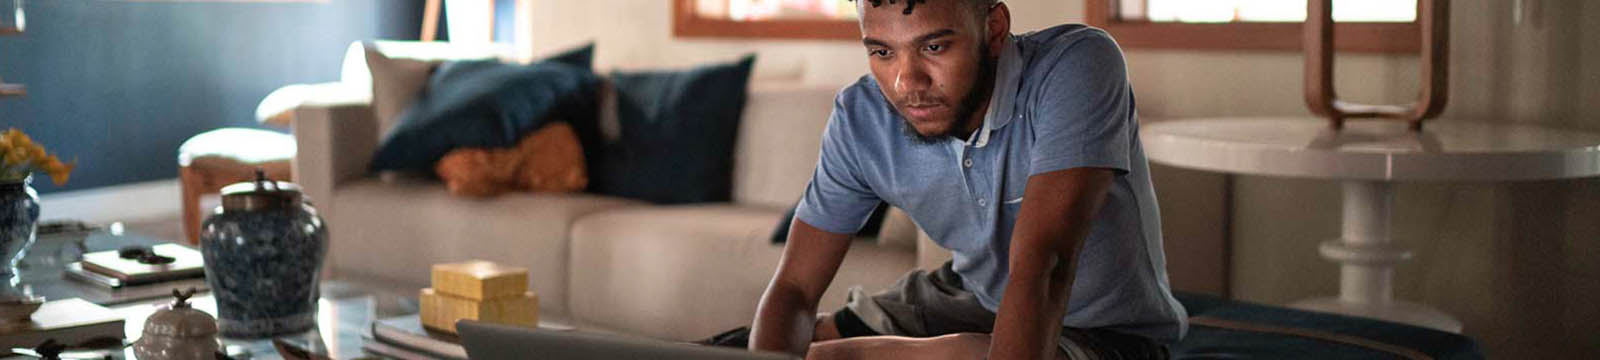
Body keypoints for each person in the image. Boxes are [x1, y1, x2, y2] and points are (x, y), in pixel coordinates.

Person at [747, 0, 1186, 359]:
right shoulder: (861, 118)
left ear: (994, 29)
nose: (907, 82)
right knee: (756, 342)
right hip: (966, 297)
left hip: (1106, 332)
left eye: (934, 48)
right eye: (883, 52)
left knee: (958, 356)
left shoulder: (1075, 66)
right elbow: (795, 288)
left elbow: (1044, 267)